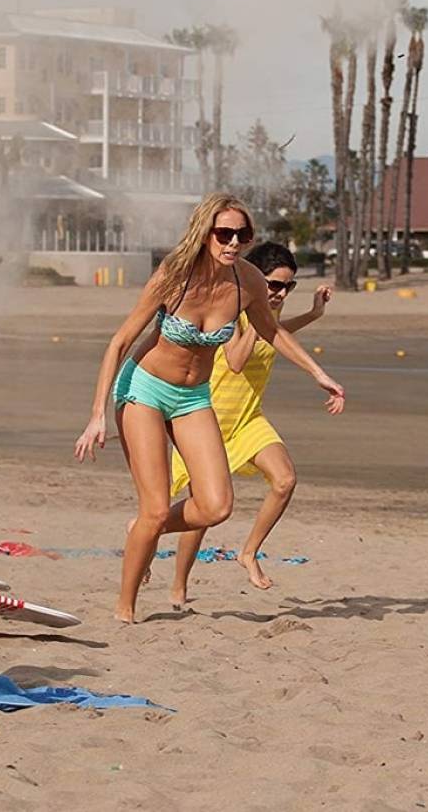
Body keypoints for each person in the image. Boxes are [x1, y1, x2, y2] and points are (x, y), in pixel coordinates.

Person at [75, 194, 344, 624]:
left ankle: (144, 529)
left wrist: (318, 373)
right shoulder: (174, 275)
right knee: (155, 507)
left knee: (216, 506)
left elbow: (271, 331)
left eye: (243, 234)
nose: (234, 242)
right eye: (224, 233)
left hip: (193, 397)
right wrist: (97, 414)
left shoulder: (247, 281)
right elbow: (120, 341)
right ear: (205, 234)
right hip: (144, 389)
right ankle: (126, 608)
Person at [157, 242, 332, 606]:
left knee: (284, 480)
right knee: (203, 512)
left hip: (248, 418)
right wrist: (255, 313)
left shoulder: (266, 315)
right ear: (254, 280)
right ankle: (176, 583)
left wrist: (313, 314)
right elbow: (236, 360)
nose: (280, 293)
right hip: (208, 421)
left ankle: (248, 552)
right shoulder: (231, 312)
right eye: (274, 285)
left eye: (288, 286)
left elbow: (277, 333)